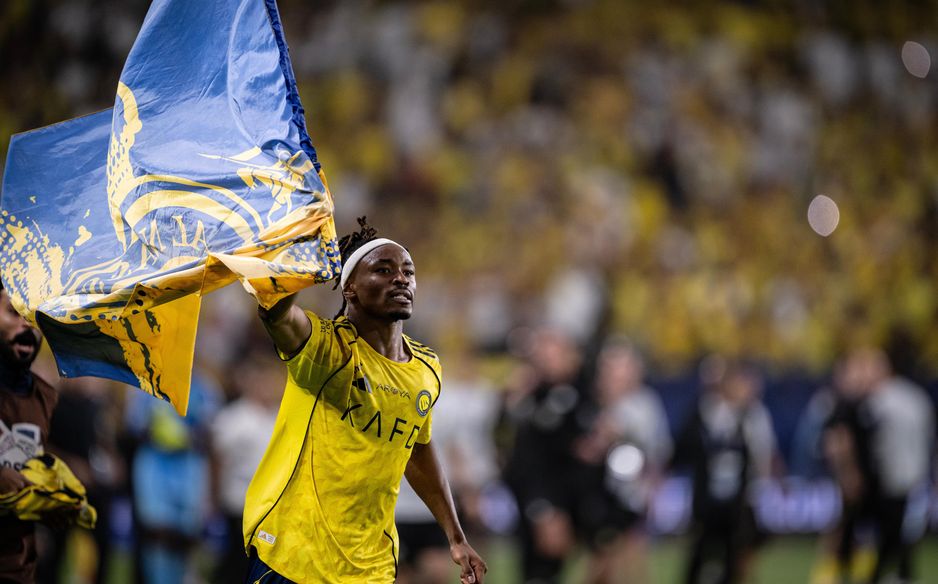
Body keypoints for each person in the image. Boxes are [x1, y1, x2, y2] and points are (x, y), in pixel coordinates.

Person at [242, 218, 486, 583]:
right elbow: (277, 314)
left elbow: (417, 447)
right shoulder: (327, 349)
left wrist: (456, 537)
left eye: (408, 271)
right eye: (383, 270)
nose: (401, 279)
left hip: (370, 566)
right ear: (350, 288)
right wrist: (300, 261)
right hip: (294, 555)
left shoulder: (426, 369)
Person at [673, 359, 777, 584]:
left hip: (739, 500)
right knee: (700, 554)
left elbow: (764, 456)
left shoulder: (755, 416)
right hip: (708, 500)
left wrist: (761, 490)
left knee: (736, 555)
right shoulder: (707, 410)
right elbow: (686, 448)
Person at [0, 284, 59, 582]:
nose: (26, 324)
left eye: (33, 316)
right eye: (13, 312)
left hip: (18, 567)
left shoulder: (45, 397)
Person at [210, 351, 283, 584]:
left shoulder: (277, 417)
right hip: (238, 502)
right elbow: (217, 460)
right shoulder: (234, 417)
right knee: (235, 563)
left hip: (269, 507)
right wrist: (214, 498)